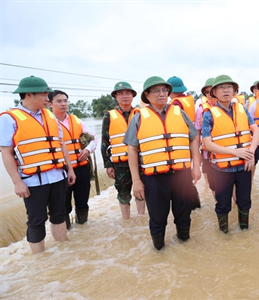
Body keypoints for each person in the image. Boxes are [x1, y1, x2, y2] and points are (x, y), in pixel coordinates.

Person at [0, 76, 76, 254]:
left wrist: (70, 169)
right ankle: (39, 261)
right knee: (36, 220)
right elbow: (6, 152)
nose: (47, 98)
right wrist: (17, 182)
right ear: (28, 95)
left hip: (58, 176)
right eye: (44, 94)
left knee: (59, 215)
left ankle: (64, 254)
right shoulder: (9, 118)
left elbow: (61, 143)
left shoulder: (49, 115)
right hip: (33, 181)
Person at [124, 76, 201, 250]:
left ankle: (185, 252)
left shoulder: (178, 112)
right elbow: (132, 150)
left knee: (184, 216)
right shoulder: (138, 117)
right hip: (155, 178)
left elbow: (194, 137)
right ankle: (159, 251)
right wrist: (136, 181)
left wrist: (196, 166)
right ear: (147, 95)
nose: (162, 94)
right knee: (158, 219)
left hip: (181, 175)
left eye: (165, 90)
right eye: (157, 90)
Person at [202, 75, 259, 233]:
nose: (225, 90)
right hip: (222, 169)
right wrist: (235, 152)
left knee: (244, 202)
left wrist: (251, 153)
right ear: (214, 92)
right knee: (222, 204)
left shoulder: (242, 109)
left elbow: (256, 131)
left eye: (229, 87)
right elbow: (207, 144)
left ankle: (244, 232)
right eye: (221, 87)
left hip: (244, 167)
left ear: (234, 91)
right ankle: (224, 235)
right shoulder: (209, 114)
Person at [48, 90, 98, 228]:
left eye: (65, 101)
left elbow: (94, 138)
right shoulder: (48, 123)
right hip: (60, 171)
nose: (63, 104)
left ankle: (82, 230)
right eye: (59, 101)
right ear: (50, 104)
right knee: (63, 204)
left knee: (82, 201)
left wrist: (87, 150)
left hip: (81, 168)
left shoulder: (76, 120)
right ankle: (67, 232)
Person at [101, 82, 145, 219]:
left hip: (140, 161)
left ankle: (141, 220)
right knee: (123, 194)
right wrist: (108, 165)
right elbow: (104, 142)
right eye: (120, 93)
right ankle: (127, 223)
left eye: (127, 93)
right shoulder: (109, 116)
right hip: (120, 164)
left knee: (142, 191)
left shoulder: (141, 114)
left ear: (132, 95)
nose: (124, 96)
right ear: (116, 97)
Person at [167, 76, 201, 209]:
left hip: (181, 143)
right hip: (191, 140)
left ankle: (190, 205)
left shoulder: (175, 103)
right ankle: (195, 205)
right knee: (187, 175)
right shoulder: (189, 99)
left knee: (183, 177)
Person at [194, 78, 216, 197]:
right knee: (213, 185)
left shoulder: (233, 108)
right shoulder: (200, 109)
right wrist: (197, 152)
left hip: (228, 153)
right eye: (207, 92)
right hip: (207, 152)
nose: (210, 94)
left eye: (212, 91)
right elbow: (197, 132)